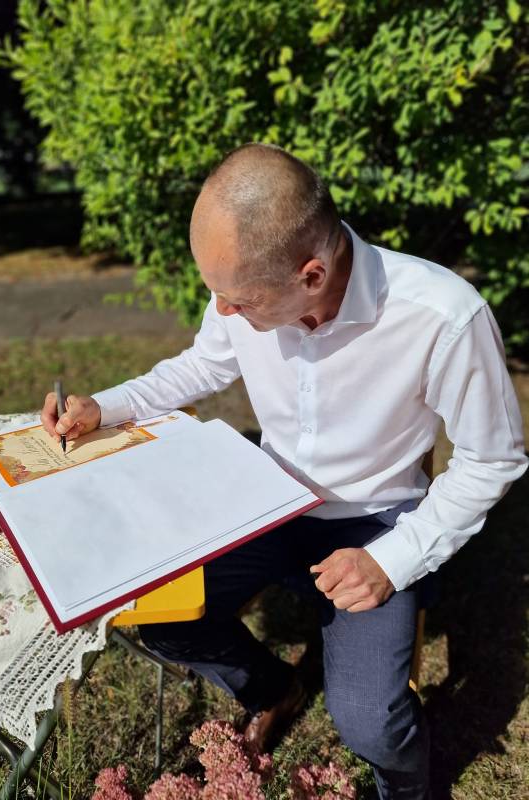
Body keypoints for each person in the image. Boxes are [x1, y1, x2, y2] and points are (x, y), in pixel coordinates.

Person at [41, 144, 527, 798]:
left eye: (238, 301)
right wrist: (108, 406)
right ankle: (275, 689)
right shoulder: (244, 290)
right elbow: (203, 364)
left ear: (312, 273)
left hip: (377, 522)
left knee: (371, 725)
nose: (224, 312)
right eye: (217, 295)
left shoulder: (443, 316)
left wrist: (393, 559)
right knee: (162, 619)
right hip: (268, 503)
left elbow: (492, 458)